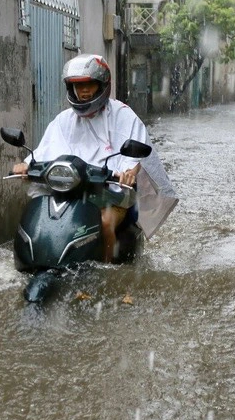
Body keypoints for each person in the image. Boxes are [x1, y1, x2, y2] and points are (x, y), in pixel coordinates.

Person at [12, 53, 176, 263]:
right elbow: (45, 150)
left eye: (89, 84)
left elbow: (134, 155)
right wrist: (25, 166)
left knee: (105, 222)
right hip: (70, 191)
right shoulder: (63, 121)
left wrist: (128, 173)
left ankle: (105, 270)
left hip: (110, 194)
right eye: (78, 86)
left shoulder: (122, 115)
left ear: (103, 86)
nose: (84, 91)